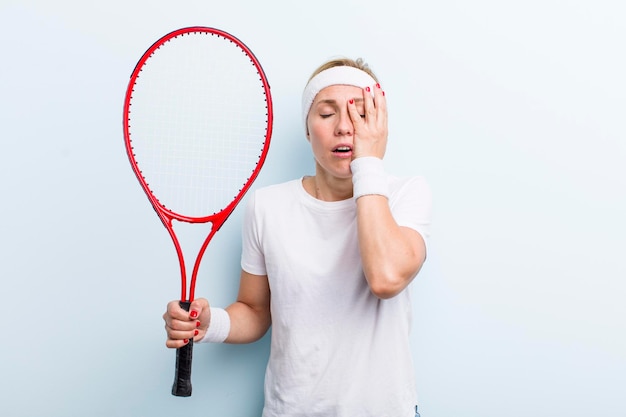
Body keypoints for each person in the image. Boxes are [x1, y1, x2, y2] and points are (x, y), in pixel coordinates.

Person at [163, 57, 432, 417]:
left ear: (379, 126)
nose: (345, 127)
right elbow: (255, 311)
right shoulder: (267, 206)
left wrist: (369, 164)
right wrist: (209, 324)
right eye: (326, 113)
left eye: (360, 113)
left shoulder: (406, 194)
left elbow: (385, 278)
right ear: (307, 129)